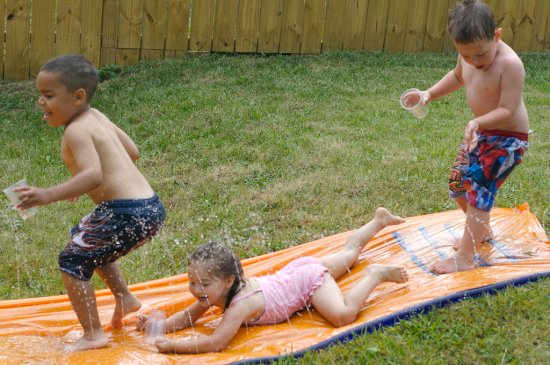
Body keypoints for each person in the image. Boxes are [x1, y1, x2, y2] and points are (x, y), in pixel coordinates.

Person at [14, 54, 166, 351]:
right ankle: (124, 297)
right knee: (83, 235)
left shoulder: (76, 129)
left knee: (71, 261)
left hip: (125, 213)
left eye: (48, 95)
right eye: (39, 95)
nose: (40, 102)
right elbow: (132, 152)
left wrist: (47, 194)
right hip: (148, 207)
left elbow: (93, 175)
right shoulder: (96, 116)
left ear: (78, 97)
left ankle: (93, 334)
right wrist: (80, 183)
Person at [136, 207, 408, 354]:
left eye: (203, 284)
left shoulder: (240, 305)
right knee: (349, 254)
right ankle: (378, 221)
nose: (195, 290)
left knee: (343, 315)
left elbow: (216, 343)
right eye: (192, 282)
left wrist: (174, 346)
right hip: (295, 272)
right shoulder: (214, 293)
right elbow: (188, 317)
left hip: (307, 283)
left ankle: (376, 274)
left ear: (229, 280)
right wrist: (159, 325)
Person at [404, 0, 529, 274]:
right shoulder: (469, 54)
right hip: (480, 133)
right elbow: (457, 76)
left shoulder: (510, 65)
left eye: (480, 55)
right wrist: (428, 94)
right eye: (465, 55)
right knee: (458, 184)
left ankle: (466, 256)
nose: (473, 62)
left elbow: (508, 110)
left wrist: (476, 121)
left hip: (508, 140)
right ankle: (481, 232)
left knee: (479, 190)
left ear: (497, 35)